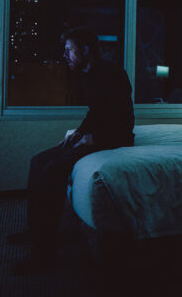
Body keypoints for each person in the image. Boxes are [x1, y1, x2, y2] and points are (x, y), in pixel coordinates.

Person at [9, 26, 134, 275]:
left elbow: (124, 121)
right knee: (38, 161)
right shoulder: (86, 75)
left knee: (53, 170)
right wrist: (77, 133)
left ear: (86, 49)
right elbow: (95, 112)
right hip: (94, 136)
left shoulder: (113, 74)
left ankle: (44, 253)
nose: (65, 55)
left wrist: (94, 137)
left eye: (69, 50)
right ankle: (36, 231)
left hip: (114, 139)